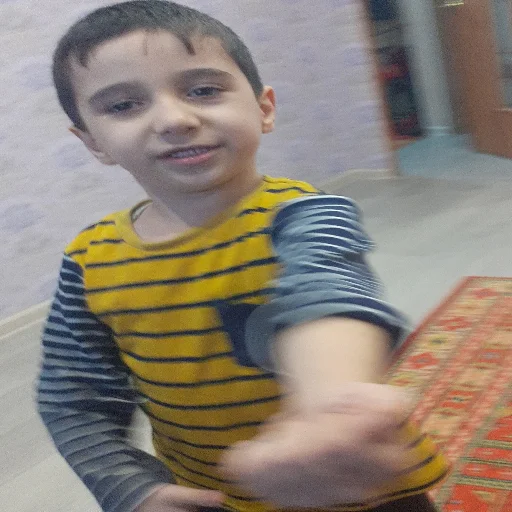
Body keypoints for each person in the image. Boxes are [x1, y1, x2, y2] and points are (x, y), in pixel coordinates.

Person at [36, 2, 449, 512]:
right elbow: (74, 397)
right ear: (92, 141)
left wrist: (330, 413)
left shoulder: (307, 213)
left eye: (203, 91)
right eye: (123, 105)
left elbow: (328, 296)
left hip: (360, 485)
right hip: (214, 496)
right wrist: (132, 488)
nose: (175, 119)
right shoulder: (88, 260)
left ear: (263, 108)